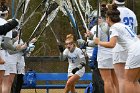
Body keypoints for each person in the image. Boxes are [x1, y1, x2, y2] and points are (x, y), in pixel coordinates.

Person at [94, 4, 140, 93]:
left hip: (135, 51)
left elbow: (112, 44)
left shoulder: (114, 27)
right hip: (138, 46)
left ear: (108, 18)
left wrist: (98, 42)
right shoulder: (123, 25)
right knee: (134, 80)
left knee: (128, 80)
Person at [107, 1, 138, 93]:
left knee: (122, 79)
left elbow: (108, 32)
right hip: (132, 46)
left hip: (119, 47)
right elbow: (135, 31)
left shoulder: (113, 12)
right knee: (133, 80)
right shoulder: (131, 12)